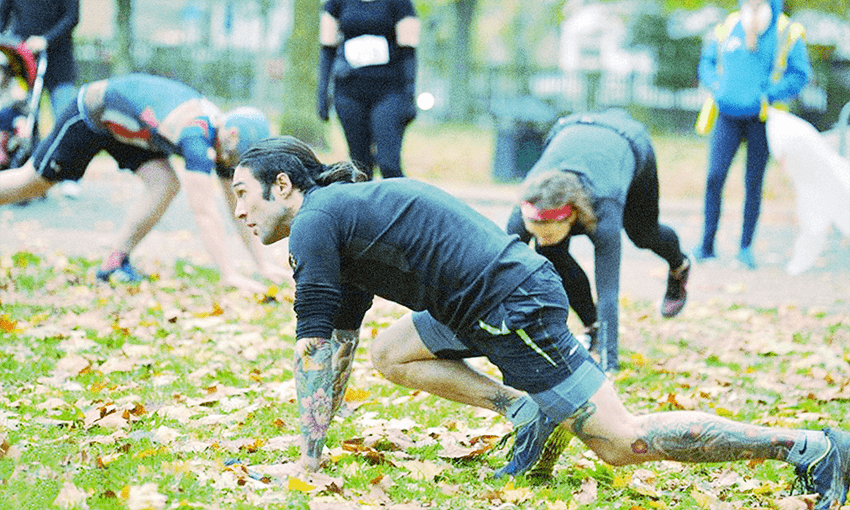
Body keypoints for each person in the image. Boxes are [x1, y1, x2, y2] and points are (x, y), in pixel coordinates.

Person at [231, 135, 848, 510]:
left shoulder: (315, 221)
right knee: (391, 352)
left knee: (620, 442)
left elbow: (309, 348)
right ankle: (525, 410)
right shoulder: (334, 222)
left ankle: (810, 447)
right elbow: (334, 344)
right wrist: (312, 454)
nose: (239, 210)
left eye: (243, 194)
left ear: (283, 185)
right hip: (470, 306)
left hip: (512, 307)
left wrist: (305, 462)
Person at [0, 73, 286, 293]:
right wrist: (229, 273)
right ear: (232, 135)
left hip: (129, 130)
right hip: (93, 114)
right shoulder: (196, 134)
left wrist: (264, 265)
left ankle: (114, 262)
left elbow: (238, 205)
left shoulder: (222, 138)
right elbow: (204, 212)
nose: (231, 162)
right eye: (235, 157)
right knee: (32, 183)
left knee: (164, 183)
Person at [505, 109, 690, 373]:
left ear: (571, 218)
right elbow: (500, 270)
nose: (538, 241)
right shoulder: (526, 205)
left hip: (628, 143)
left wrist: (609, 365)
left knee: (642, 234)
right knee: (552, 255)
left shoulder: (605, 205)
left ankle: (679, 266)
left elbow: (608, 291)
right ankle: (593, 327)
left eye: (545, 234)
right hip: (570, 129)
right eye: (534, 232)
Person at [694, 0, 810, 269]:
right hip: (727, 115)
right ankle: (706, 246)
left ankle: (745, 249)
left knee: (753, 183)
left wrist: (767, 94)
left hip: (761, 118)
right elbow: (707, 63)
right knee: (714, 177)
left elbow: (799, 74)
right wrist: (717, 87)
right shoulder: (729, 25)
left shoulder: (786, 31)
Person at [316, 0, 419, 179]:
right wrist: (323, 93)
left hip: (389, 91)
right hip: (349, 91)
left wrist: (409, 95)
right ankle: (366, 206)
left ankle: (399, 204)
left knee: (389, 163)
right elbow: (327, 50)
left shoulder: (400, 3)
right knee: (360, 166)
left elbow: (408, 52)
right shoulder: (336, 3)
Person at [0, 0, 83, 198]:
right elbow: (2, 15)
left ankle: (70, 177)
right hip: (23, 59)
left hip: (59, 63)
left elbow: (72, 18)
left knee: (66, 118)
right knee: (25, 120)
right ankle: (30, 172)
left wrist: (46, 39)